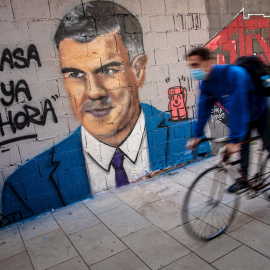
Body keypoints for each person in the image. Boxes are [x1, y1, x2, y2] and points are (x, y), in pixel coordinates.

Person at [1, 2, 211, 223]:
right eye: (74, 74)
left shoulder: (190, 138)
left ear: (138, 71)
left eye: (109, 70)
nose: (93, 92)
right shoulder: (24, 189)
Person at [187, 46, 270, 193]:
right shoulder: (206, 83)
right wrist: (197, 135)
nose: (193, 69)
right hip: (242, 115)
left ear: (208, 62)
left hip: (260, 111)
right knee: (242, 148)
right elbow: (203, 108)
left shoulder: (233, 75)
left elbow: (238, 106)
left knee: (267, 143)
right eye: (191, 66)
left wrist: (235, 140)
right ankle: (244, 180)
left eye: (195, 65)